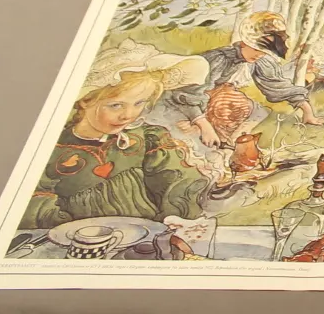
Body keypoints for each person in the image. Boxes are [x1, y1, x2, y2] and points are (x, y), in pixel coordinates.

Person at [21, 42, 214, 231]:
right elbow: (35, 201)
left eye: (139, 103)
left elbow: (176, 179)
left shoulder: (147, 138)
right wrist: (67, 228)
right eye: (116, 105)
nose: (128, 115)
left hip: (146, 235)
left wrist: (173, 217)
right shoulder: (52, 148)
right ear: (85, 101)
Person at [172, 12, 324, 150]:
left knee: (257, 111)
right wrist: (204, 125)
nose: (259, 55)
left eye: (264, 52)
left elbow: (277, 86)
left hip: (225, 102)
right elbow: (189, 93)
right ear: (244, 43)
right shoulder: (218, 59)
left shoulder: (259, 60)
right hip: (197, 104)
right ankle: (208, 138)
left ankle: (230, 145)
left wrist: (307, 111)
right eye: (257, 50)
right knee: (223, 110)